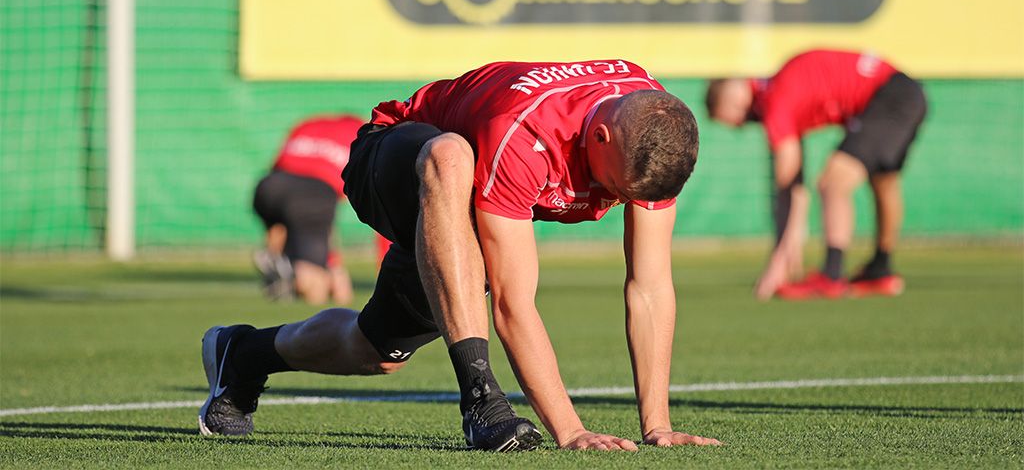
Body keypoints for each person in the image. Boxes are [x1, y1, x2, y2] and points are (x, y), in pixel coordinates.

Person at [200, 59, 720, 452]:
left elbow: (649, 287)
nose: (621, 201)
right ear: (600, 136)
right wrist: (571, 430)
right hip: (394, 157)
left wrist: (657, 425)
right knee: (451, 155)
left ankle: (243, 354)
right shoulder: (525, 134)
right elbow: (513, 303)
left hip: (465, 201)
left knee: (376, 350)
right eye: (618, 189)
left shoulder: (653, 130)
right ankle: (481, 400)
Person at [705, 49, 927, 300]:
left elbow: (789, 186)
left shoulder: (775, 103)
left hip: (889, 96)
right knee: (883, 180)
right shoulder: (780, 89)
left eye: (737, 120)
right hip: (905, 91)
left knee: (833, 183)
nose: (741, 125)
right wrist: (788, 248)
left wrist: (779, 260)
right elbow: (794, 181)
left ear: (735, 98)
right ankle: (880, 269)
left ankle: (831, 276)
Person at [251, 114, 365, 305]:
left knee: (286, 220)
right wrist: (332, 262)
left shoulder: (308, 125)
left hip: (269, 187)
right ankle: (295, 276)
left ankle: (277, 259)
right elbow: (325, 222)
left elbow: (277, 168)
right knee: (316, 283)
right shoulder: (361, 133)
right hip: (314, 194)